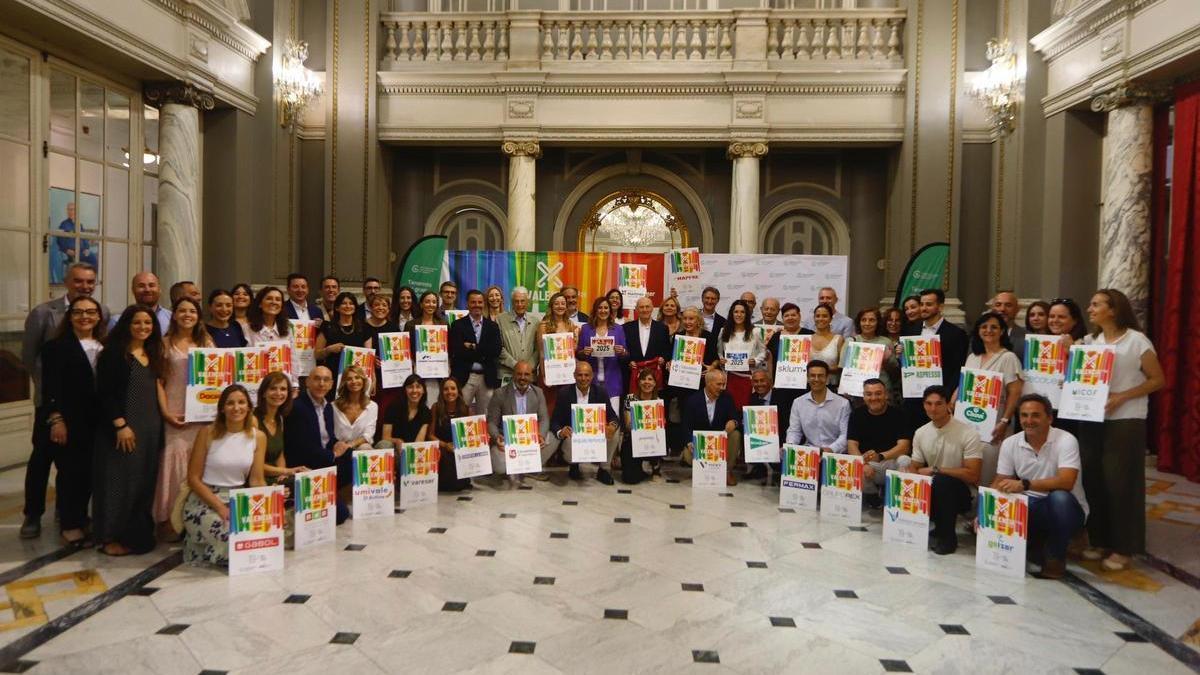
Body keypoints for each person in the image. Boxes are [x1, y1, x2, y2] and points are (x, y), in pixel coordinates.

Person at [1077, 289, 1164, 571]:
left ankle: (1125, 545)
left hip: (1126, 418)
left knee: (1120, 481)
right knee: (1093, 478)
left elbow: (1157, 379)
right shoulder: (1091, 342)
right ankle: (1100, 538)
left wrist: (1122, 396)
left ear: (1113, 310)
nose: (1090, 309)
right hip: (1091, 416)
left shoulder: (1136, 341)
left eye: (1096, 304)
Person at [20, 262, 107, 538]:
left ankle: (69, 513)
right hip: (52, 404)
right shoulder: (44, 313)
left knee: (78, 466)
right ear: (67, 281)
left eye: (90, 281)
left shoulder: (102, 312)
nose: (85, 286)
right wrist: (52, 407)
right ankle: (32, 515)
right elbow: (30, 358)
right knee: (42, 460)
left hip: (89, 413)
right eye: (79, 281)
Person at [93, 305, 165, 555]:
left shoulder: (152, 352)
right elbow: (106, 394)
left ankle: (134, 534)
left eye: (148, 323)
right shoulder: (114, 354)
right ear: (126, 325)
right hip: (123, 428)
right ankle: (108, 536)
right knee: (117, 482)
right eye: (137, 323)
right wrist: (120, 425)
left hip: (150, 430)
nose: (143, 327)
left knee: (143, 483)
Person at [993, 394, 1089, 579]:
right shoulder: (1010, 443)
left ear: (1049, 418)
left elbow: (1066, 482)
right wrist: (984, 509)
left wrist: (1024, 484)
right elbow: (1000, 480)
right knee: (1004, 513)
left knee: (1059, 498)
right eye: (1024, 415)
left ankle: (1056, 557)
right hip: (1031, 506)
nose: (1029, 421)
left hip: (1068, 508)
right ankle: (1038, 545)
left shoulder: (1066, 440)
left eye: (1035, 415)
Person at [37, 295, 105, 546]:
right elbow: (50, 389)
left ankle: (82, 518)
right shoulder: (56, 347)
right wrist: (56, 419)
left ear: (98, 316)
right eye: (78, 312)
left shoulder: (104, 344)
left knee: (90, 474)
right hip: (71, 420)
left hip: (99, 420)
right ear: (70, 316)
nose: (84, 317)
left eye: (90, 312)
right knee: (70, 473)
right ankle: (70, 523)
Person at [181, 385, 267, 567]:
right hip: (206, 499)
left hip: (238, 497)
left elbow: (257, 480)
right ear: (222, 408)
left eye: (242, 402)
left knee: (261, 536)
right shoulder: (207, 433)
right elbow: (193, 478)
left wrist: (267, 507)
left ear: (249, 407)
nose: (237, 408)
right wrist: (220, 507)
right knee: (231, 538)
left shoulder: (258, 437)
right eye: (230, 403)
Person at [154, 297, 214, 541]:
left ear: (198, 316)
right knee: (173, 465)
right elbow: (158, 381)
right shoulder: (163, 344)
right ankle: (170, 520)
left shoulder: (207, 343)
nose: (187, 315)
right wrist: (166, 412)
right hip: (174, 411)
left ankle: (194, 518)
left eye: (192, 311)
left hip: (201, 414)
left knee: (198, 464)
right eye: (182, 311)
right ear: (174, 315)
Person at [908, 385, 985, 555]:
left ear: (948, 405)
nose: (933, 408)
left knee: (942, 482)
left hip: (964, 494)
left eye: (938, 404)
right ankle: (919, 527)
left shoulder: (968, 433)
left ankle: (948, 538)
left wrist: (937, 470)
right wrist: (912, 473)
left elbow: (973, 474)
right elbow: (915, 466)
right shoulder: (921, 432)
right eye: (928, 404)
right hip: (933, 488)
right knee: (905, 470)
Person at [954, 312, 1023, 487]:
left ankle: (984, 508)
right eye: (984, 327)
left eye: (994, 327)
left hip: (995, 423)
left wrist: (1005, 421)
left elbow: (1015, 392)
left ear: (1002, 331)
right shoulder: (972, 357)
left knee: (989, 467)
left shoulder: (1008, 357)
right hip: (967, 422)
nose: (988, 330)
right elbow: (964, 384)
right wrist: (952, 400)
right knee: (967, 465)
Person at [284, 366, 351, 523]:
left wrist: (340, 445)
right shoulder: (297, 407)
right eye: (317, 379)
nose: (321, 383)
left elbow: (328, 437)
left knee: (352, 457)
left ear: (331, 384)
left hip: (323, 461)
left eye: (326, 380)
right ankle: (319, 495)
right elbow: (302, 447)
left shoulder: (328, 407)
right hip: (305, 466)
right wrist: (333, 455)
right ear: (307, 382)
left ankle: (330, 492)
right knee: (340, 514)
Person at [901, 288, 969, 429]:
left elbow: (958, 369)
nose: (924, 308)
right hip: (913, 397)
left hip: (939, 400)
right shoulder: (910, 329)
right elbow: (905, 364)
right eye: (922, 304)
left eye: (929, 304)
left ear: (940, 306)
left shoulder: (956, 334)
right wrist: (899, 355)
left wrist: (947, 396)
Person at [549, 361, 620, 485]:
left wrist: (612, 426)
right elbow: (554, 421)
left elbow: (613, 416)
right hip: (573, 437)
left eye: (587, 375)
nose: (583, 378)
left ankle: (603, 469)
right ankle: (574, 464)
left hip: (595, 435)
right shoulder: (564, 393)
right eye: (580, 375)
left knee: (616, 431)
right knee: (568, 439)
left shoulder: (601, 392)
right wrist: (561, 432)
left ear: (592, 376)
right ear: (574, 376)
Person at [486, 360, 554, 486]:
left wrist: (541, 435)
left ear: (532, 376)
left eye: (526, 374)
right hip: (507, 440)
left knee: (551, 437)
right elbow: (491, 423)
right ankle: (513, 467)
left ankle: (531, 468)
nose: (523, 377)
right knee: (500, 467)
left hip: (530, 440)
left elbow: (544, 418)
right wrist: (497, 438)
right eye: (519, 374)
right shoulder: (500, 394)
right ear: (513, 375)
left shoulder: (538, 392)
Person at [847, 379, 912, 506]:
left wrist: (881, 456)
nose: (873, 398)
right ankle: (873, 497)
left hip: (891, 462)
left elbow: (904, 446)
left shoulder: (899, 414)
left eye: (878, 393)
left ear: (886, 394)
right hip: (869, 464)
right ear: (864, 396)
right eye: (869, 394)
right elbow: (851, 445)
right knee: (855, 466)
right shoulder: (856, 415)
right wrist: (862, 463)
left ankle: (896, 499)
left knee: (905, 460)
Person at [680, 369, 742, 486]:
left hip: (720, 444)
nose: (722, 387)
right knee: (688, 455)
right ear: (708, 383)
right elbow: (685, 425)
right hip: (701, 444)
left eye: (724, 384)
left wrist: (734, 422)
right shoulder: (692, 400)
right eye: (719, 384)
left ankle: (727, 471)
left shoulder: (727, 398)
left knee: (736, 434)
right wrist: (689, 442)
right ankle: (702, 470)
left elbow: (736, 418)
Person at [449, 289, 502, 415]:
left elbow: (495, 351)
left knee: (486, 415)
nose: (477, 305)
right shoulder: (457, 325)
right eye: (473, 302)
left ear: (484, 303)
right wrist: (483, 351)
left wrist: (472, 346)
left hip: (487, 377)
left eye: (480, 302)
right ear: (467, 304)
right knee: (461, 413)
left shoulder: (492, 326)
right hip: (465, 377)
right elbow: (458, 351)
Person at [785, 360, 850, 457]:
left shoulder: (843, 404)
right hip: (809, 454)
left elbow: (845, 435)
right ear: (807, 378)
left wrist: (830, 449)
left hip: (835, 454)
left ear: (827, 378)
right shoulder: (798, 402)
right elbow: (794, 431)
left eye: (820, 375)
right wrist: (790, 446)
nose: (816, 379)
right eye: (812, 375)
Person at [578, 296, 629, 412]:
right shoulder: (586, 329)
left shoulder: (618, 329)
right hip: (590, 381)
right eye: (600, 308)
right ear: (595, 310)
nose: (603, 310)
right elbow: (579, 354)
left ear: (610, 310)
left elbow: (626, 354)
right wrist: (583, 352)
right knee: (593, 417)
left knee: (613, 418)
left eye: (606, 308)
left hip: (612, 380)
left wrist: (622, 351)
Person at [744, 369, 796, 482]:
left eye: (762, 380)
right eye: (756, 381)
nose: (759, 384)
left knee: (778, 465)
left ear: (770, 382)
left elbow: (788, 424)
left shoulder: (782, 397)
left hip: (781, 436)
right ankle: (758, 466)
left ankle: (776, 467)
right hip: (762, 436)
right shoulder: (753, 398)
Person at [315, 292, 373, 387]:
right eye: (344, 303)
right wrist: (328, 350)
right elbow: (317, 355)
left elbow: (369, 358)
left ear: (355, 307)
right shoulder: (327, 327)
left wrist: (372, 379)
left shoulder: (365, 328)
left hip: (357, 380)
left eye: (351, 303)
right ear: (337, 307)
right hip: (333, 378)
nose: (348, 306)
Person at [619, 368, 666, 484]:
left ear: (655, 383)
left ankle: (656, 469)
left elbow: (660, 427)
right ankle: (637, 469)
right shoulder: (630, 398)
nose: (647, 382)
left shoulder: (658, 401)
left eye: (650, 379)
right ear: (639, 382)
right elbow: (629, 426)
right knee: (630, 479)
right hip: (632, 439)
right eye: (643, 379)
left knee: (660, 435)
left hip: (652, 439)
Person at [255, 372, 303, 484]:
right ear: (263, 393)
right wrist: (287, 471)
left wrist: (282, 477)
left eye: (283, 389)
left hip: (275, 479)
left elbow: (280, 456)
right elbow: (254, 466)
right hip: (258, 481)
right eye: (273, 388)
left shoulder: (279, 418)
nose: (278, 393)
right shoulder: (253, 420)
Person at [717, 299, 766, 409]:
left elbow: (763, 352)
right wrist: (721, 360)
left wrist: (756, 361)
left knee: (747, 409)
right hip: (730, 378)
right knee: (730, 409)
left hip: (748, 378)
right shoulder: (723, 331)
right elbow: (719, 352)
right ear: (731, 313)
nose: (739, 315)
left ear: (747, 314)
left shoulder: (756, 332)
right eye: (736, 312)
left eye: (742, 312)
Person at [536, 291, 580, 411]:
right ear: (551, 306)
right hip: (550, 373)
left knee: (565, 405)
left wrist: (576, 342)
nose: (560, 306)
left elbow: (572, 351)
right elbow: (541, 353)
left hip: (567, 374)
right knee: (550, 406)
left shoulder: (571, 325)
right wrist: (545, 376)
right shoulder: (543, 326)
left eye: (563, 303)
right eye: (557, 304)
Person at [429, 377, 473, 492]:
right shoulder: (435, 407)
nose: (450, 392)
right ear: (441, 392)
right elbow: (430, 435)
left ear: (458, 391)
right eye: (446, 389)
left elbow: (470, 435)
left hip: (459, 449)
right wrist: (445, 445)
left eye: (453, 388)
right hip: (442, 448)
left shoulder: (466, 409)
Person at [764, 302, 815, 402]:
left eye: (793, 315)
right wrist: (771, 380)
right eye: (786, 315)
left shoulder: (810, 335)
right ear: (782, 318)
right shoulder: (776, 336)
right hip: (780, 386)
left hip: (804, 386)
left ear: (799, 316)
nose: (790, 318)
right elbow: (769, 360)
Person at [364, 293, 401, 428]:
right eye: (377, 305)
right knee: (370, 412)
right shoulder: (362, 326)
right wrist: (370, 360)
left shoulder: (394, 328)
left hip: (390, 379)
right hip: (368, 377)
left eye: (384, 305)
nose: (380, 308)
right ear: (371, 307)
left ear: (389, 308)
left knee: (387, 412)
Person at [405, 291, 448, 406]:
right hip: (418, 371)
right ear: (421, 304)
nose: (431, 304)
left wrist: (447, 365)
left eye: (434, 302)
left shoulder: (443, 324)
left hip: (438, 373)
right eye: (427, 301)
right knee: (419, 403)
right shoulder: (411, 325)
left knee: (436, 404)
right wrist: (412, 363)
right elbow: (407, 349)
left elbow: (448, 349)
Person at [623, 296, 671, 395]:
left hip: (655, 378)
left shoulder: (662, 328)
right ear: (636, 309)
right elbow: (624, 350)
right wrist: (628, 361)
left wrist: (663, 358)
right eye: (641, 307)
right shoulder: (626, 328)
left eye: (647, 307)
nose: (644, 310)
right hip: (633, 376)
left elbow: (667, 350)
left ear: (652, 308)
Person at [849, 307, 897, 399]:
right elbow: (843, 369)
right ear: (859, 322)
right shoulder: (851, 341)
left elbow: (895, 373)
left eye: (872, 320)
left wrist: (885, 361)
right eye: (863, 320)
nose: (867, 323)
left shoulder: (886, 342)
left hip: (883, 392)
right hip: (858, 392)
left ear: (878, 322)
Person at [332, 366, 379, 458]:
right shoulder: (333, 406)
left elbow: (368, 435)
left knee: (365, 448)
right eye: (349, 379)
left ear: (363, 380)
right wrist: (341, 447)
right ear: (344, 383)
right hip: (338, 449)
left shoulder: (372, 406)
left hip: (359, 448)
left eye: (357, 377)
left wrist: (350, 445)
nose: (354, 381)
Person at [498, 286, 539, 384]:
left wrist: (527, 368)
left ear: (528, 302)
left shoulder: (536, 321)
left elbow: (539, 349)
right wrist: (515, 365)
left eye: (522, 301)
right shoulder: (500, 320)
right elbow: (498, 347)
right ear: (512, 303)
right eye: (516, 301)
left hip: (529, 375)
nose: (519, 304)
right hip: (507, 374)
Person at [382, 374, 431, 446]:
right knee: (384, 444)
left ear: (423, 390)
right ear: (405, 390)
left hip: (410, 451)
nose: (414, 390)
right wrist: (397, 441)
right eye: (410, 387)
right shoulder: (393, 407)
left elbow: (419, 442)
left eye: (418, 387)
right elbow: (385, 438)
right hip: (392, 449)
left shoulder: (426, 412)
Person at [810, 304, 845, 389]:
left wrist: (821, 370)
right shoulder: (806, 339)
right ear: (814, 318)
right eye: (817, 316)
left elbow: (843, 366)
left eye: (825, 316)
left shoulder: (839, 339)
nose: (821, 319)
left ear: (831, 319)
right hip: (809, 386)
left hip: (832, 385)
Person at [991, 290, 1026, 361]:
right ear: (993, 309)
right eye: (998, 305)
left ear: (1017, 309)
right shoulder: (981, 335)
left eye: (1008, 305)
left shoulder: (1027, 338)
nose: (1002, 309)